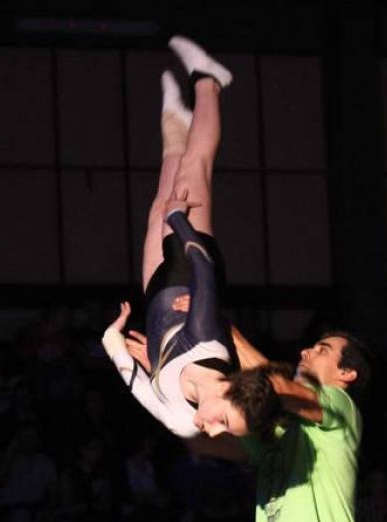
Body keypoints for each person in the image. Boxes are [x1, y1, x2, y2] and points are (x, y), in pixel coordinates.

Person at [101, 36, 280, 440]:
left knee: (157, 207)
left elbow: (135, 383)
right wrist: (179, 221)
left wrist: (113, 339)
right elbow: (203, 267)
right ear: (232, 392)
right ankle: (208, 81)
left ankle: (176, 127)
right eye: (223, 422)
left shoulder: (183, 423)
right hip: (192, 267)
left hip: (156, 295)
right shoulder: (205, 338)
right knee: (194, 170)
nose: (211, 431)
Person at [224, 328, 372, 522]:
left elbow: (277, 387)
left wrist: (222, 327)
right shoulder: (281, 427)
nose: (305, 352)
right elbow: (207, 440)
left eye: (322, 350)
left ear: (346, 373)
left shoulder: (341, 406)